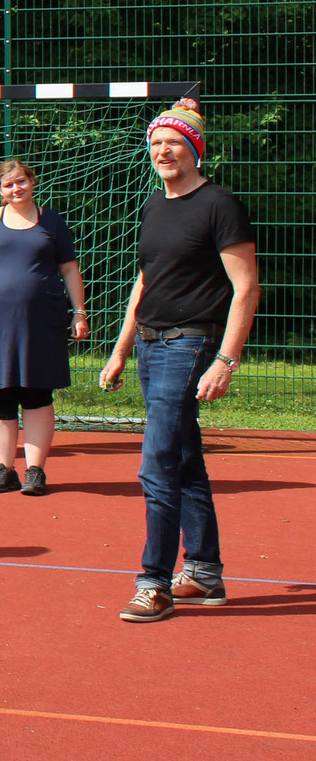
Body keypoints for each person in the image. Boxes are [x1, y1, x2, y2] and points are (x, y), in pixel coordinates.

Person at [100, 98, 259, 622]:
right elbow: (144, 282)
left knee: (158, 462)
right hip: (149, 343)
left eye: (174, 142)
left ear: (194, 149)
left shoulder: (219, 204)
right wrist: (121, 350)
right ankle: (206, 573)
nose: (163, 150)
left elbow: (246, 287)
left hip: (190, 343)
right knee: (184, 457)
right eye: (156, 142)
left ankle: (155, 583)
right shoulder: (152, 206)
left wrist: (226, 361)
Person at [0, 158, 88, 496]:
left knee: (37, 395)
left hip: (40, 323)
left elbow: (70, 270)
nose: (17, 189)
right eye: (9, 185)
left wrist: (80, 312)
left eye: (22, 182)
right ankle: (4, 469)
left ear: (32, 181)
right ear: (0, 190)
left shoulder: (52, 223)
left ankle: (35, 471)